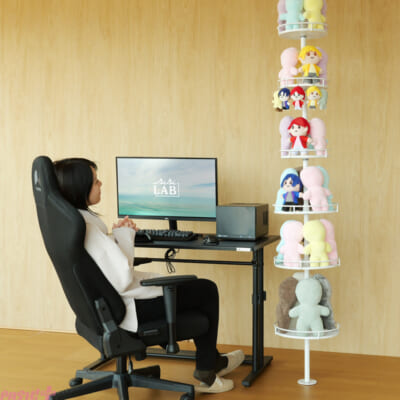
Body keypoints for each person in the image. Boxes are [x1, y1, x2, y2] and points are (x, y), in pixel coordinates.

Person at [53, 157, 244, 394]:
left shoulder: (71, 222)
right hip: (127, 310)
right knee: (205, 290)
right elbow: (122, 279)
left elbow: (109, 269)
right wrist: (124, 237)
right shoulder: (89, 230)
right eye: (95, 181)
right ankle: (208, 367)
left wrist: (121, 236)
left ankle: (211, 361)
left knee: (196, 299)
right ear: (79, 187)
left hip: (103, 310)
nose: (100, 183)